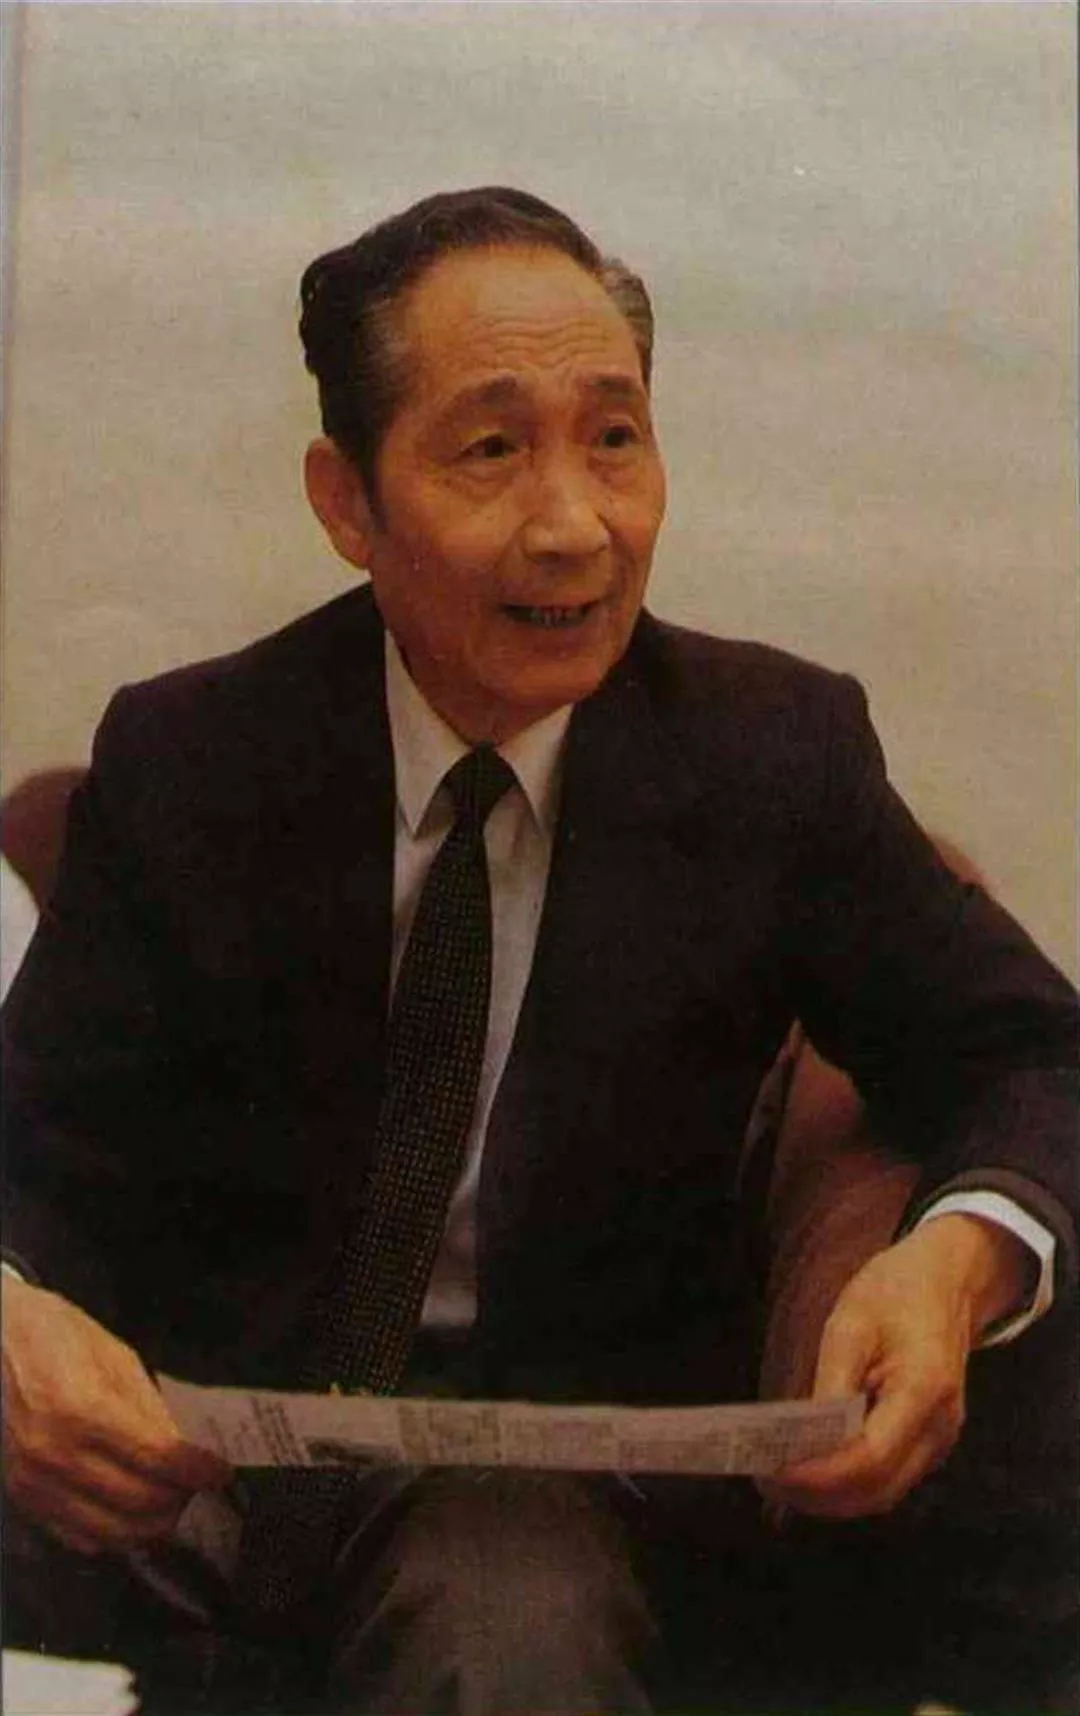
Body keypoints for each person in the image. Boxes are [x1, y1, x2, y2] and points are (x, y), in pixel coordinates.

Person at [2, 187, 1076, 1715]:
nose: (576, 525)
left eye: (616, 439)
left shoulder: (773, 757)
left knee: (505, 1637)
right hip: (181, 1456)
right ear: (347, 503)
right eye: (493, 449)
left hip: (539, 1491)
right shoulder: (191, 757)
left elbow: (1032, 1051)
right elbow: (33, 1140)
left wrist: (958, 1263)